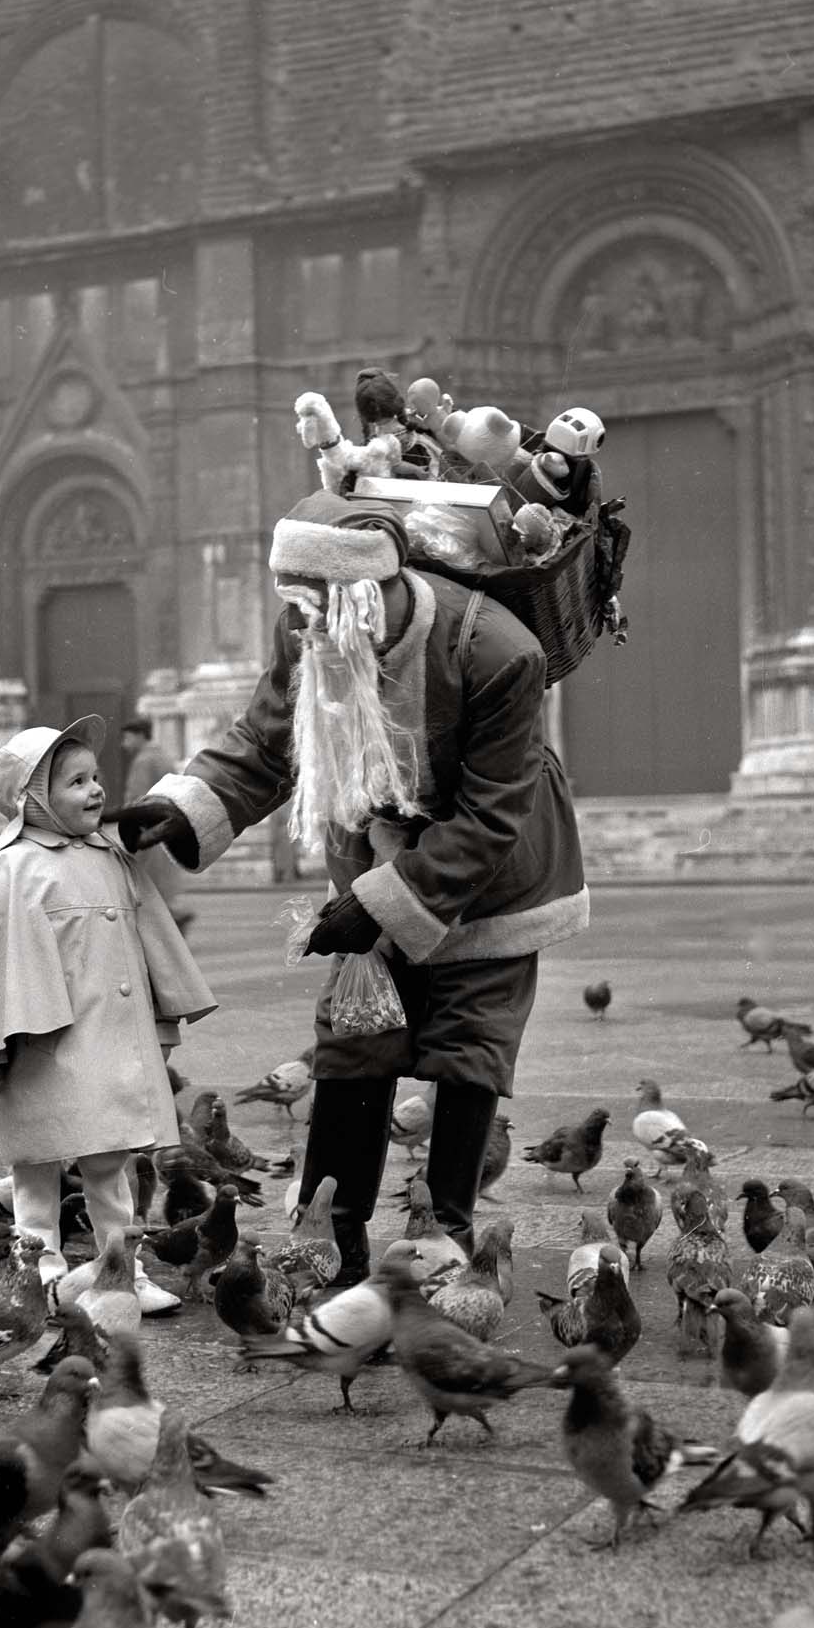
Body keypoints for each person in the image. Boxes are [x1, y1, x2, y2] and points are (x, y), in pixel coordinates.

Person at [106, 489, 588, 1284]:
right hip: (375, 857)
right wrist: (178, 807)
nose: (306, 624)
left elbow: (491, 816)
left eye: (320, 603)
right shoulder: (312, 626)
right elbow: (267, 741)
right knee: (355, 1041)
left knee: (469, 1047)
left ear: (368, 589)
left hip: (498, 877)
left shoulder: (499, 651)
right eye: (295, 604)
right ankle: (335, 1231)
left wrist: (375, 904)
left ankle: (445, 1240)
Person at [0, 716, 214, 1314]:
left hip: (108, 1047)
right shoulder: (10, 870)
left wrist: (160, 1026)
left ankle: (121, 1270)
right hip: (42, 1048)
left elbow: (149, 949)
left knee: (112, 1166)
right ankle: (41, 1272)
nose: (96, 792)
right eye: (76, 782)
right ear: (33, 799)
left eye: (95, 778)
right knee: (36, 1170)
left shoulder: (112, 858)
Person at [118, 715, 198, 936]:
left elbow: (136, 798)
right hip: (167, 828)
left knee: (146, 884)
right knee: (158, 884)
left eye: (127, 737)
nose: (124, 744)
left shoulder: (143, 761)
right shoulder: (163, 756)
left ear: (139, 736)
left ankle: (172, 921)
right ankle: (173, 919)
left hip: (148, 831)